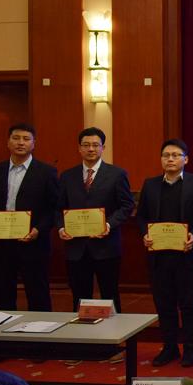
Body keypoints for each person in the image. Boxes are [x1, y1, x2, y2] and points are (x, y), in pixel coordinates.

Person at [137, 139, 193, 368]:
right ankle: (169, 347)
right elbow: (141, 216)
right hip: (159, 256)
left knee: (189, 304)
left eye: (175, 155)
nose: (170, 159)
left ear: (186, 159)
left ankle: (190, 348)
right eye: (166, 155)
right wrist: (145, 234)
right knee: (164, 304)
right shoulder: (150, 184)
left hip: (187, 254)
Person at [0, 123, 59, 312]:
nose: (20, 143)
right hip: (1, 243)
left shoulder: (46, 172)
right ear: (8, 142)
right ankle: (5, 329)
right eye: (16, 138)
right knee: (3, 293)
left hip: (33, 243)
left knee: (37, 294)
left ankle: (40, 329)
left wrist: (38, 229)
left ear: (33, 143)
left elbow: (54, 208)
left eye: (26, 139)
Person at [57, 127, 135, 313]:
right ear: (79, 148)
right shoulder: (67, 176)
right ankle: (82, 330)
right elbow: (58, 207)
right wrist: (61, 227)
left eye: (95, 145)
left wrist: (108, 224)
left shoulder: (117, 174)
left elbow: (127, 206)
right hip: (76, 247)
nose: (90, 149)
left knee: (110, 294)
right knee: (79, 296)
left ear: (103, 148)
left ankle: (114, 330)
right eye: (86, 145)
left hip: (106, 246)